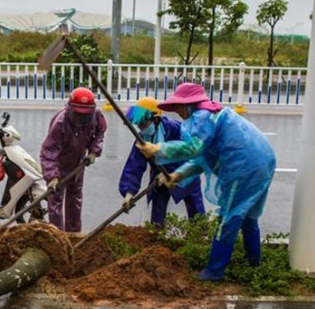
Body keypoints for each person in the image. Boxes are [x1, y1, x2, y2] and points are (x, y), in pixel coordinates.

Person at [136, 83, 276, 281]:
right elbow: (201, 159)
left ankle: (214, 271)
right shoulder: (214, 114)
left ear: (188, 105)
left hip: (243, 167)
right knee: (249, 216)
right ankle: (254, 265)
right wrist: (178, 175)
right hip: (263, 162)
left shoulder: (202, 118)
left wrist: (158, 150)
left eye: (178, 107)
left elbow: (193, 149)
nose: (177, 112)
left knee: (227, 218)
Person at [119, 96, 205, 225]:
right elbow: (134, 166)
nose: (141, 127)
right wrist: (128, 194)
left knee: (195, 209)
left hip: (185, 173)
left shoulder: (175, 129)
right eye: (139, 124)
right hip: (158, 174)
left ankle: (200, 236)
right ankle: (156, 238)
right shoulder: (142, 139)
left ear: (156, 119)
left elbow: (190, 153)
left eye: (144, 123)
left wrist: (171, 173)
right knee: (158, 211)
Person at [40, 87, 107, 233]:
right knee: (56, 201)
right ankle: (58, 236)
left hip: (78, 165)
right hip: (59, 165)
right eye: (78, 115)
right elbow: (49, 151)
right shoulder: (60, 123)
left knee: (75, 199)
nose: (81, 119)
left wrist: (94, 151)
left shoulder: (96, 116)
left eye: (85, 115)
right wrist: (52, 177)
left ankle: (73, 233)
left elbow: (100, 132)